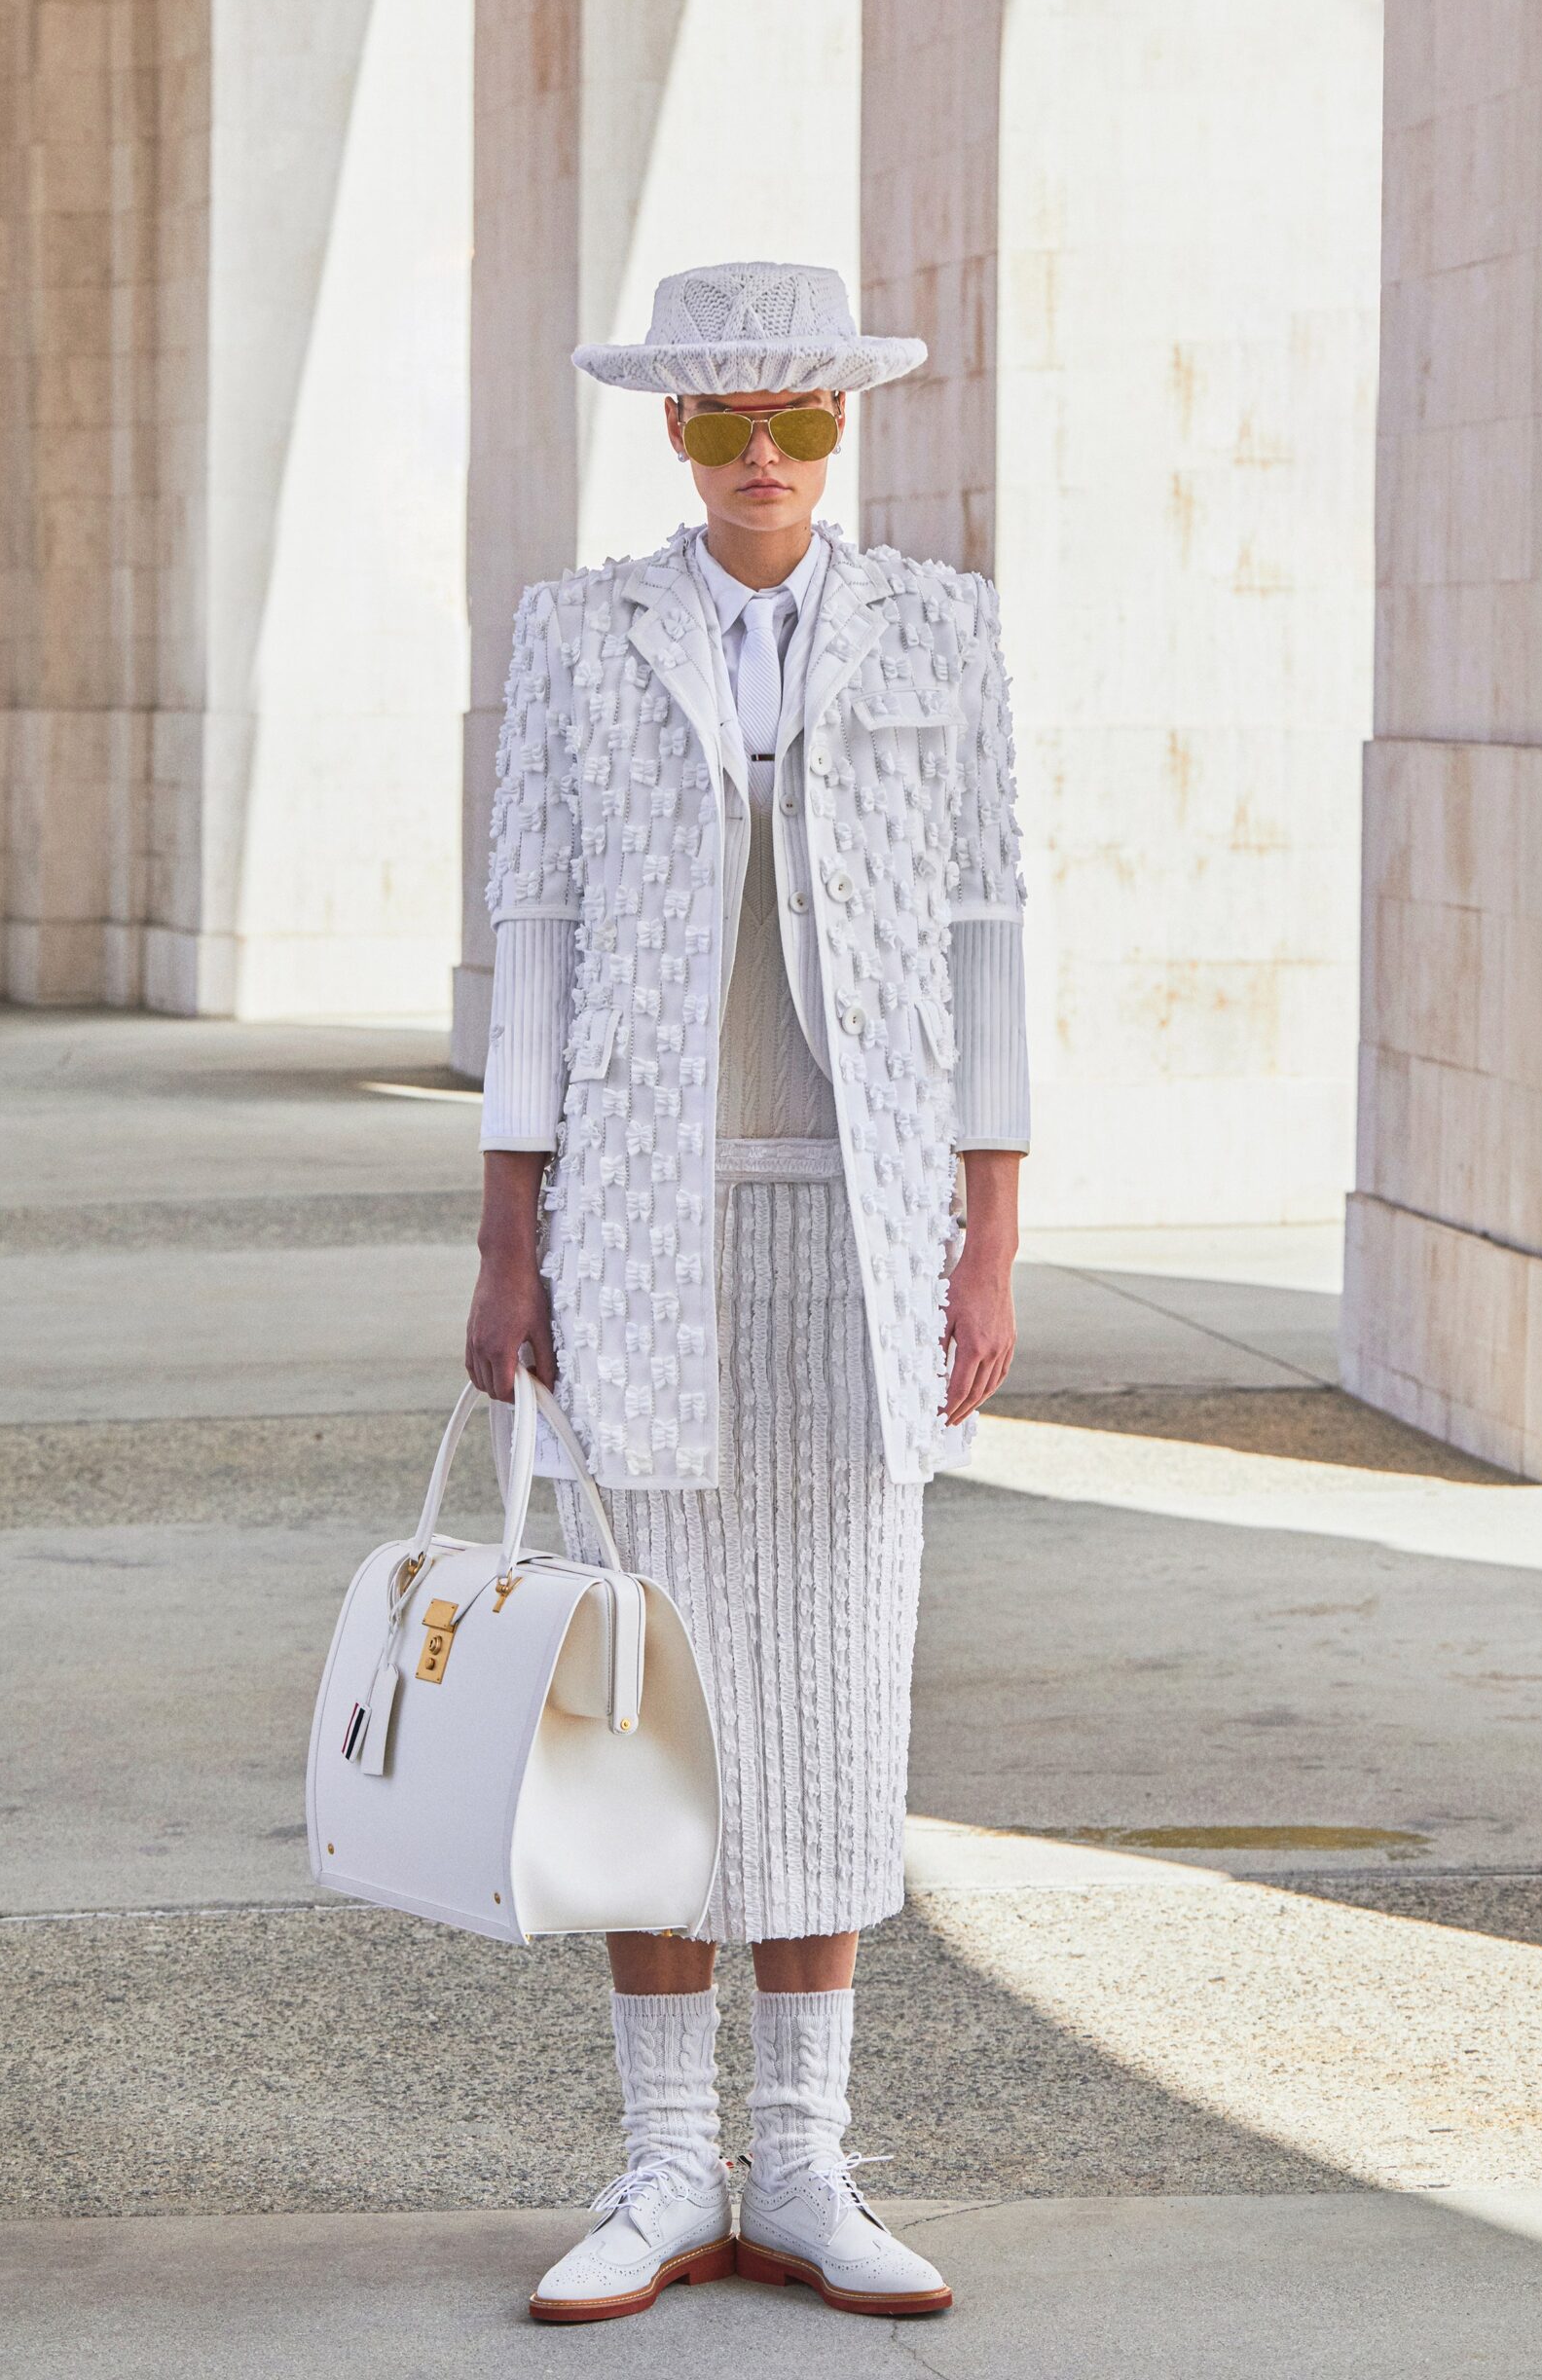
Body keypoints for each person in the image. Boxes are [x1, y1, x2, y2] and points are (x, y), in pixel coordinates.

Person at [466, 260, 1030, 2324]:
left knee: (830, 1695)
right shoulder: (575, 631)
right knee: (648, 1698)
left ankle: (800, 2161)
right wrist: (503, 1226)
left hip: (863, 1229)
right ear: (672, 438)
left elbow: (986, 936)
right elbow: (532, 925)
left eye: (797, 418)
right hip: (636, 1216)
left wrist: (987, 1232)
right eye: (721, 424)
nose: (765, 457)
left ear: (840, 428)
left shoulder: (939, 627)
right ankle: (657, 2162)